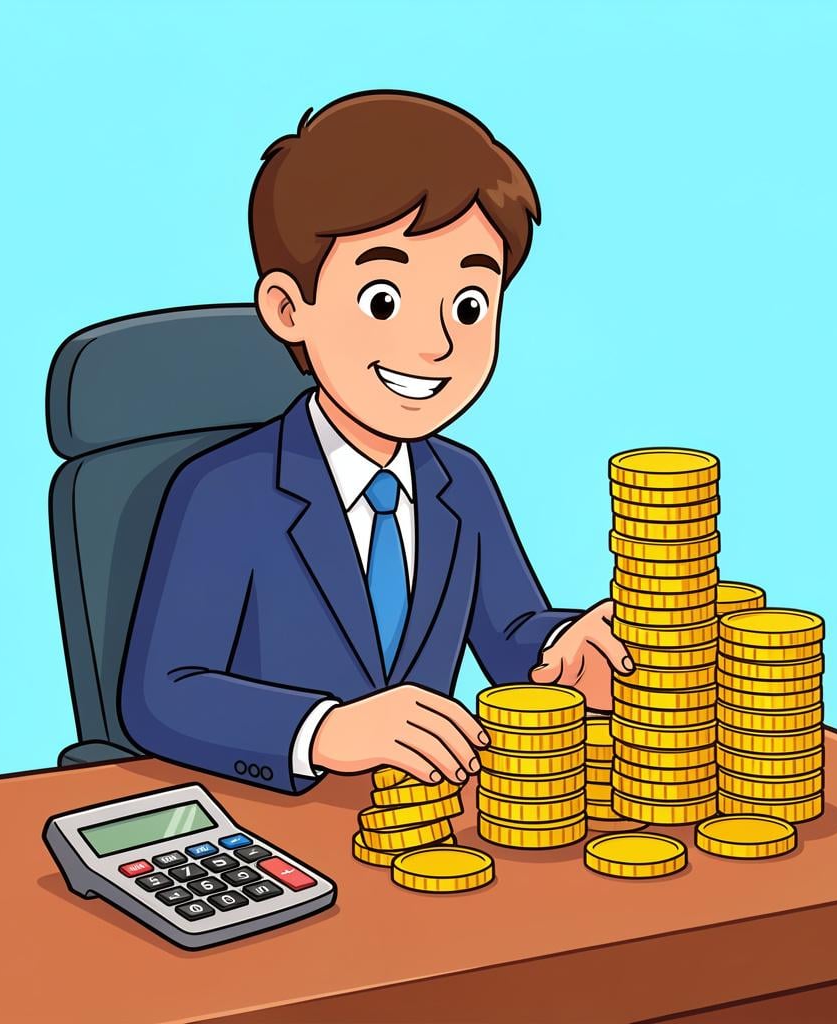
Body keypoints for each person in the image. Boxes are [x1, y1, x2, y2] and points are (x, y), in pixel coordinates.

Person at [119, 90, 634, 795]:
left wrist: (561, 646)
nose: (435, 344)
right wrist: (324, 730)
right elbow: (162, 695)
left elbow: (510, 632)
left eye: (470, 304)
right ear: (287, 309)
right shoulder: (227, 490)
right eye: (384, 300)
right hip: (271, 820)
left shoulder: (462, 482)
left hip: (424, 823)